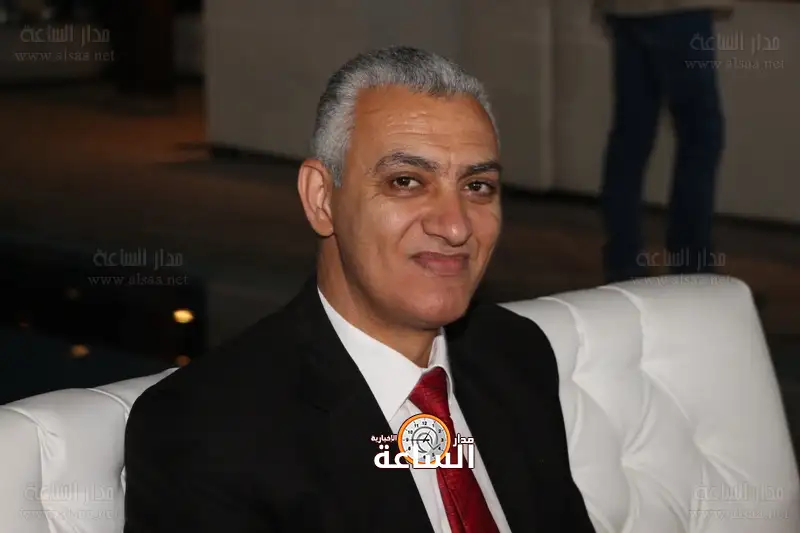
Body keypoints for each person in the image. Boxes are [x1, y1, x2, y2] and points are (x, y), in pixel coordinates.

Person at [123, 46, 595, 533]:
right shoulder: (207, 430)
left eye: (477, 187)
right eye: (406, 181)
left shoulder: (515, 354)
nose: (456, 226)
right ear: (321, 199)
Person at [594, 1, 732, 282]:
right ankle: (692, 268)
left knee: (631, 137)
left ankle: (624, 262)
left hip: (625, 9)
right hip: (679, 7)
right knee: (700, 136)